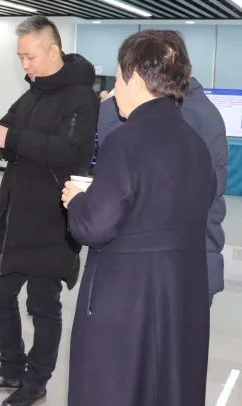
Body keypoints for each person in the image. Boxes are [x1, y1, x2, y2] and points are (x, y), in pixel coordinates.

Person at [62, 30, 214, 406]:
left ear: (136, 79)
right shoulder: (196, 143)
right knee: (169, 387)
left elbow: (94, 226)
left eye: (117, 78)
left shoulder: (124, 140)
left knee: (117, 387)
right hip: (183, 292)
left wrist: (77, 201)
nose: (114, 91)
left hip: (127, 296)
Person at [0, 16, 98, 406]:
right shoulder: (34, 92)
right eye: (20, 57)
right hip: (16, 214)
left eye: (30, 56)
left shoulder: (81, 97)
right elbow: (9, 132)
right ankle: (11, 367)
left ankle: (37, 381)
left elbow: (70, 151)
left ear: (53, 50)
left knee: (43, 304)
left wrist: (12, 138)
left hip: (51, 217)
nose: (25, 65)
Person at [97, 72, 227, 305]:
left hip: (176, 265)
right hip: (192, 257)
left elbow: (119, 152)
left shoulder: (181, 116)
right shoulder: (199, 109)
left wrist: (109, 108)